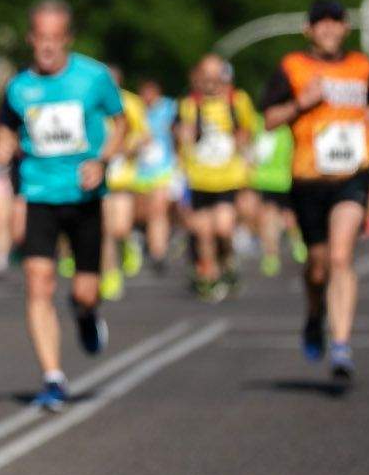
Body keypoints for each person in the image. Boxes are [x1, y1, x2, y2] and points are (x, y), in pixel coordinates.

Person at [0, 0, 125, 411]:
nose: (47, 47)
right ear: (31, 38)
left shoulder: (93, 77)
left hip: (84, 197)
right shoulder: (18, 87)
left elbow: (121, 125)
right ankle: (52, 376)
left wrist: (102, 160)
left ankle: (86, 314)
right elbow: (5, 133)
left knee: (85, 291)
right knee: (38, 283)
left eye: (55, 39)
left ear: (67, 38)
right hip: (39, 196)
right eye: (40, 38)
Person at [259, 0, 369, 383]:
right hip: (308, 179)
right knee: (317, 267)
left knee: (340, 255)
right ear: (309, 30)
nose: (329, 29)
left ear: (346, 28)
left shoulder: (362, 67)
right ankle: (314, 315)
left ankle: (342, 344)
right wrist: (301, 103)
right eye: (321, 24)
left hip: (352, 174)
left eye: (336, 22)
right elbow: (268, 119)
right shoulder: (292, 67)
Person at [177, 55, 260, 301]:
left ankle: (228, 262)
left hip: (228, 178)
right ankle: (209, 276)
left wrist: (244, 155)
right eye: (206, 76)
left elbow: (249, 131)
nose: (211, 82)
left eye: (216, 76)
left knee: (223, 228)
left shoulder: (238, 101)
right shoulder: (189, 105)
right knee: (203, 233)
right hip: (200, 178)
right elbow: (183, 139)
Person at [100, 86, 150, 300]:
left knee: (119, 228)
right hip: (99, 177)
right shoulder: (92, 102)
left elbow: (144, 137)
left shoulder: (131, 103)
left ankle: (129, 243)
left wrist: (127, 148)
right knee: (105, 229)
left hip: (123, 176)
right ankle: (110, 274)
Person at [128, 80, 177, 276]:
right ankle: (138, 241)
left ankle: (158, 254)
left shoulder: (170, 108)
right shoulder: (135, 109)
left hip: (163, 169)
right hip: (138, 170)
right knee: (140, 213)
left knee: (158, 210)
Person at [240, 123, 300, 277]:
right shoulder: (262, 126)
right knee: (271, 218)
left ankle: (289, 246)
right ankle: (273, 254)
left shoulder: (286, 128)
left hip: (282, 180)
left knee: (285, 216)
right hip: (267, 181)